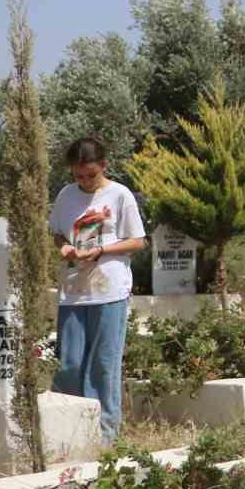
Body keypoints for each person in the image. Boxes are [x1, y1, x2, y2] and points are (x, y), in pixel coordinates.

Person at [48, 136, 147, 443]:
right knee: (70, 362)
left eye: (91, 174)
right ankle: (68, 431)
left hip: (110, 291)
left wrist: (102, 250)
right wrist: (65, 247)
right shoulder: (66, 195)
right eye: (78, 176)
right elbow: (57, 233)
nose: (85, 181)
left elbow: (138, 241)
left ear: (103, 166)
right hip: (74, 292)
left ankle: (104, 437)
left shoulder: (120, 195)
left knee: (103, 363)